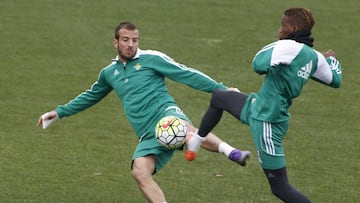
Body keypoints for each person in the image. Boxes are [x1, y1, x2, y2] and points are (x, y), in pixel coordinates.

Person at [36, 21, 250, 203]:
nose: (131, 45)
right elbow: (90, 96)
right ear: (116, 42)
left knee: (184, 130)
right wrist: (59, 112)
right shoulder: (109, 73)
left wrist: (221, 89)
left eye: (135, 40)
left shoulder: (151, 59)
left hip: (165, 113)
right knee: (139, 172)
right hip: (147, 134)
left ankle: (232, 152)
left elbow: (186, 74)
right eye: (126, 40)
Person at [185, 8, 342, 203]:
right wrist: (332, 61)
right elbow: (335, 79)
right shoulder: (314, 57)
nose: (280, 28)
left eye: (283, 24)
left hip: (267, 122)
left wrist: (274, 58)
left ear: (293, 28)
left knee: (280, 188)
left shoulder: (288, 47)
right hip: (257, 106)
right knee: (219, 97)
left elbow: (258, 63)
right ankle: (197, 140)